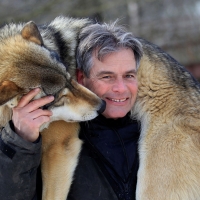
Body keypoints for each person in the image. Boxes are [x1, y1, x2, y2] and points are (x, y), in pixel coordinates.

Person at [0, 21, 143, 200]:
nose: (121, 88)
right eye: (107, 76)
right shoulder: (40, 139)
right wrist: (20, 142)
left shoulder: (154, 127)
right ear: (82, 77)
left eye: (129, 75)